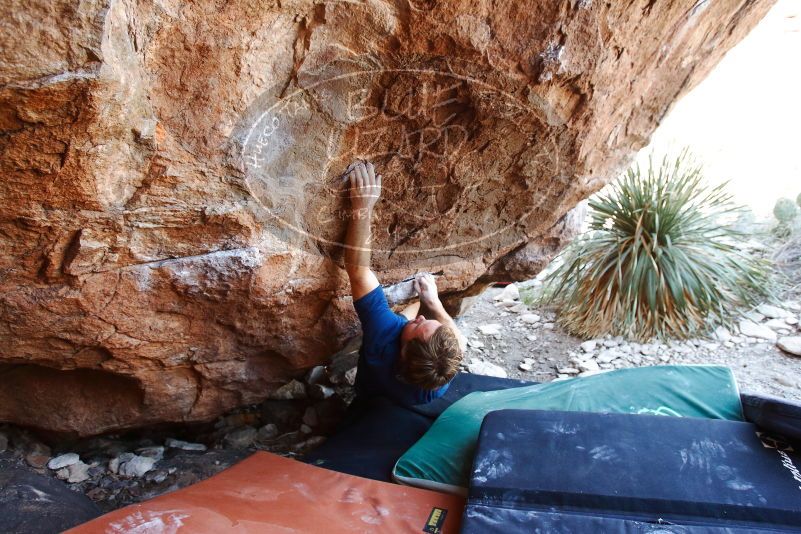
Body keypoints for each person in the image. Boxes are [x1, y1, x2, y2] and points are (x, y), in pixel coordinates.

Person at [343, 160, 466, 405]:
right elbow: (458, 342)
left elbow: (357, 271)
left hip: (369, 389)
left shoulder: (383, 335)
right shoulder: (435, 382)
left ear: (403, 353)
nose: (422, 318)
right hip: (401, 397)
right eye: (430, 323)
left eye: (418, 327)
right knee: (412, 317)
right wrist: (434, 303)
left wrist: (363, 205)